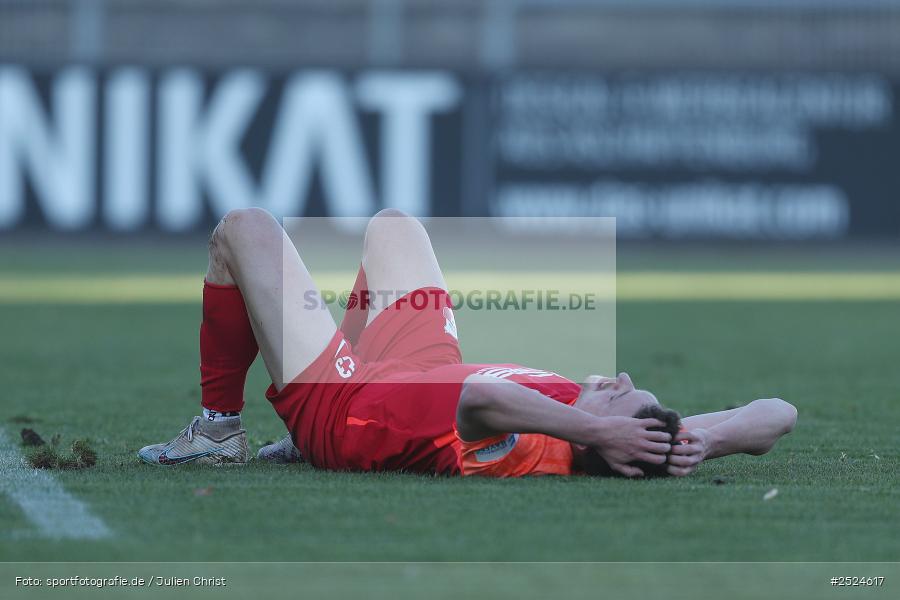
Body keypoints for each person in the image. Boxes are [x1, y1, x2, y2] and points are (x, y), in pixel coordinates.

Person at [138, 208, 797, 477]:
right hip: (416, 367)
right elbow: (776, 414)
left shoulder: (536, 443)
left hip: (345, 405)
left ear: (609, 445)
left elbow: (482, 399)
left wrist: (598, 434)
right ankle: (292, 427)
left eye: (623, 400)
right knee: (396, 227)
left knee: (244, 230)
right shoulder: (605, 431)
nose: (621, 381)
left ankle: (218, 431)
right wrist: (701, 440)